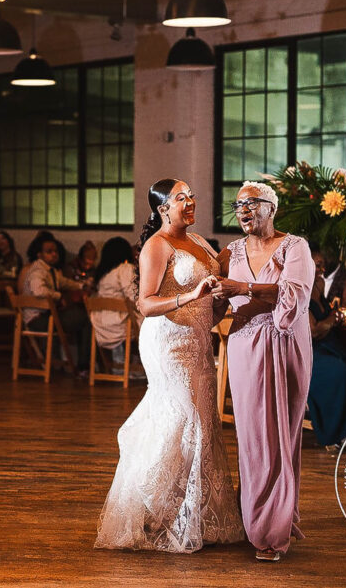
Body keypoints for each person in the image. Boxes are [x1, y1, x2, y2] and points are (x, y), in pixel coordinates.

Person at [96, 179, 242, 553]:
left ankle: (193, 515)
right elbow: (145, 304)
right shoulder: (156, 246)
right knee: (185, 420)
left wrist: (220, 293)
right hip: (168, 343)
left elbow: (212, 298)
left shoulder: (200, 243)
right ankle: (151, 508)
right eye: (181, 198)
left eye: (192, 196)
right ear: (163, 209)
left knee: (202, 422)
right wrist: (189, 296)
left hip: (198, 341)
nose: (190, 201)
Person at [214, 180, 314, 562]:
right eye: (238, 205)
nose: (243, 210)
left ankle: (274, 526)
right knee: (253, 437)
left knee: (282, 436)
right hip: (245, 348)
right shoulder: (229, 252)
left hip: (287, 346)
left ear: (272, 208)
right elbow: (215, 304)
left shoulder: (295, 247)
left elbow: (293, 296)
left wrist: (243, 287)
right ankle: (257, 521)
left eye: (252, 203)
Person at [306, 267, 346, 449]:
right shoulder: (299, 291)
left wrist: (332, 318)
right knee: (339, 371)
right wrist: (331, 320)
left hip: (328, 346)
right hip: (309, 352)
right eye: (317, 264)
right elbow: (313, 331)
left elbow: (329, 316)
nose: (321, 269)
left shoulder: (319, 287)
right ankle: (338, 434)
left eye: (322, 265)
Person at [19, 234, 91, 371]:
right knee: (85, 319)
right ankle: (83, 365)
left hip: (46, 315)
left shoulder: (50, 270)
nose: (54, 254)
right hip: (38, 318)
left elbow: (64, 282)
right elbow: (38, 290)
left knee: (78, 315)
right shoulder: (37, 271)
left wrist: (81, 285)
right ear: (39, 254)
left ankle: (73, 362)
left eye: (55, 251)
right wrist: (59, 296)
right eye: (49, 251)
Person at [89, 237, 143, 377]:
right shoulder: (125, 269)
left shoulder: (102, 273)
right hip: (120, 323)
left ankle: (119, 366)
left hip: (100, 324)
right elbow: (133, 296)